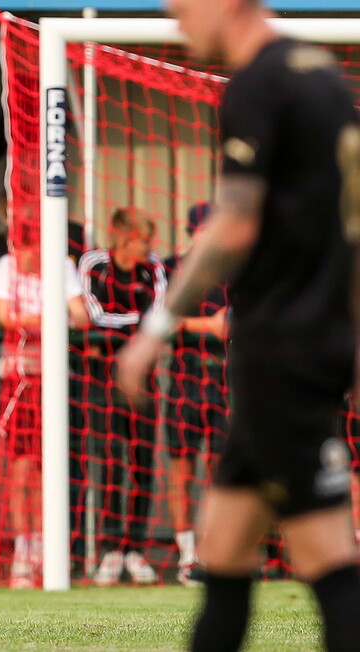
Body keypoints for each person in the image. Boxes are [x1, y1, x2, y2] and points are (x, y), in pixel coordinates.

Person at [118, 0, 360, 649]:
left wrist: (155, 329)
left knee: (329, 558)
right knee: (222, 551)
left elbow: (235, 221)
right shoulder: (324, 78)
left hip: (281, 350)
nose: (176, 22)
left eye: (180, 6)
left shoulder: (258, 83)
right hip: (311, 345)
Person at [0, 248, 89, 589]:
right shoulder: (7, 264)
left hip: (55, 381)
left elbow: (82, 315)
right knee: (22, 469)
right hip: (20, 380)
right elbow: (5, 316)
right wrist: (54, 317)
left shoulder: (62, 263)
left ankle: (47, 550)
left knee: (51, 468)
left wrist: (38, 318)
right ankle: (23, 553)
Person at [78, 207, 165, 587]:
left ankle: (136, 549)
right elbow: (92, 315)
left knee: (143, 464)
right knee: (113, 462)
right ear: (124, 237)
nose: (149, 247)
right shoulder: (93, 263)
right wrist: (136, 324)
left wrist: (135, 327)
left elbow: (160, 315)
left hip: (146, 380)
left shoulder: (154, 269)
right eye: (144, 239)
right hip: (104, 379)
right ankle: (111, 548)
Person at [161, 202, 229, 587]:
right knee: (181, 468)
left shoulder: (234, 268)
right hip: (184, 378)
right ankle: (188, 553)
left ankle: (216, 549)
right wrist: (207, 324)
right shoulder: (172, 268)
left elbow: (235, 322)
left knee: (219, 470)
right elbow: (162, 320)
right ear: (192, 232)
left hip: (223, 379)